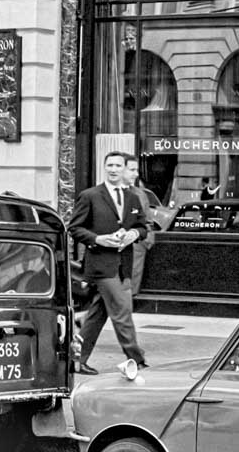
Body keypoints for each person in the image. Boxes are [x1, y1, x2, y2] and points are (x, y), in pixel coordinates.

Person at [68, 151, 148, 374]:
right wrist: (97, 239)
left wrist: (134, 234)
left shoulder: (132, 197)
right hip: (101, 265)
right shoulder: (90, 195)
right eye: (109, 165)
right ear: (105, 168)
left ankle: (76, 359)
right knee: (122, 310)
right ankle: (137, 359)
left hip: (123, 265)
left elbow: (143, 227)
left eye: (118, 166)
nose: (113, 169)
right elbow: (74, 228)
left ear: (125, 169)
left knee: (97, 314)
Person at [123, 155, 155, 298]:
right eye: (132, 170)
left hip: (135, 247)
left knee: (128, 294)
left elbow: (148, 221)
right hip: (110, 250)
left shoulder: (139, 194)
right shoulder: (101, 193)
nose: (136, 174)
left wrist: (145, 241)